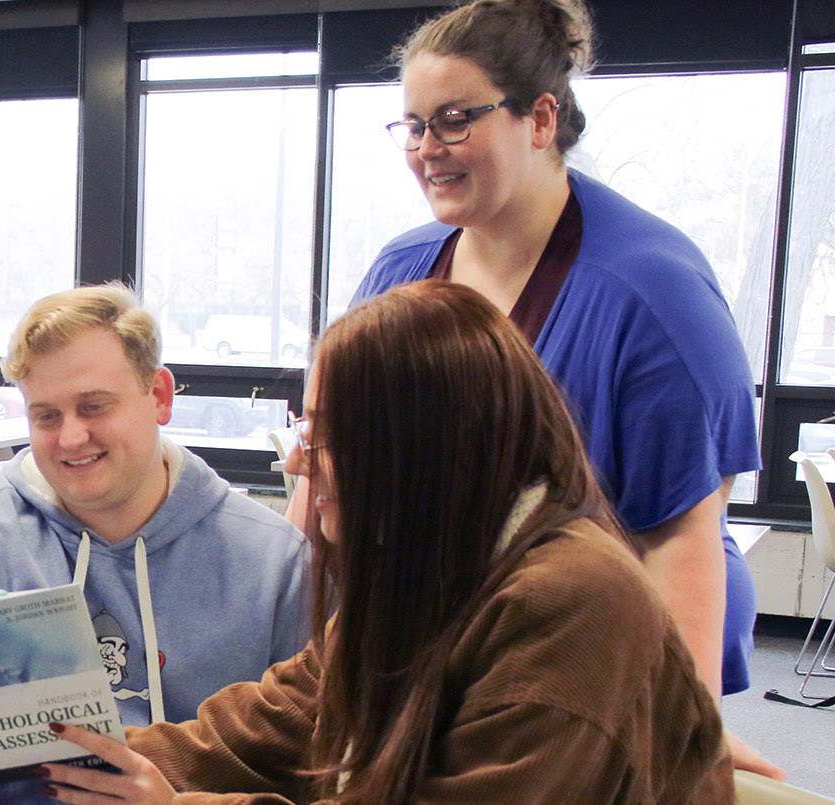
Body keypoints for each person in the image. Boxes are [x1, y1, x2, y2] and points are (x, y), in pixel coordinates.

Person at [40, 280, 733, 803]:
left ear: (422, 447)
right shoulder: (441, 561)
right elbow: (271, 723)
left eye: (328, 434)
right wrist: (76, 765)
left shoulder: (574, 602)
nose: (302, 461)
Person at [340, 0, 779, 777]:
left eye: (452, 120)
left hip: (610, 629)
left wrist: (677, 726)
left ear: (541, 119)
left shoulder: (649, 295)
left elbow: (680, 533)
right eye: (411, 126)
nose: (425, 150)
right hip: (461, 619)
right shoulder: (400, 273)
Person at [0, 283, 311, 727]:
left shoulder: (274, 561)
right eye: (46, 415)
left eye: (94, 407)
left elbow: (305, 756)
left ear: (160, 396)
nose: (71, 438)